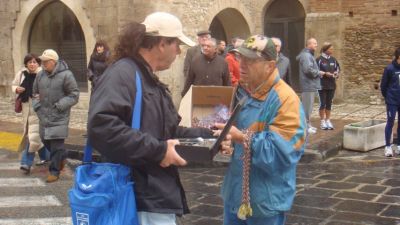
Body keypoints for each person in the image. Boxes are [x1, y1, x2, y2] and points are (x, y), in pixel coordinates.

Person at [87, 12, 230, 225]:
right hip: (137, 196)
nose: (180, 51)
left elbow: (169, 131)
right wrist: (159, 150)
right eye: (177, 45)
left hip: (153, 194)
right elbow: (101, 127)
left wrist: (211, 136)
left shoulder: (147, 78)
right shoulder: (123, 74)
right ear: (162, 44)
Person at [215, 35, 306, 224]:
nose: (242, 65)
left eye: (251, 60)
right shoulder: (245, 91)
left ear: (270, 66)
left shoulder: (286, 99)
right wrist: (228, 141)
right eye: (240, 58)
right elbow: (238, 135)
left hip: (264, 202)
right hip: (235, 196)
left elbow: (283, 154)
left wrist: (241, 137)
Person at [32, 49, 79, 183]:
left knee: (56, 145)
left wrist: (60, 105)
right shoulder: (40, 75)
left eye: (45, 62)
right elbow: (34, 92)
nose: (42, 64)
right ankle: (62, 156)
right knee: (45, 139)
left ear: (53, 62)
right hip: (44, 116)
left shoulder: (66, 75)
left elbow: (74, 95)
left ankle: (54, 171)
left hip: (59, 116)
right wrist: (37, 106)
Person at [11, 53, 49, 174]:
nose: (32, 64)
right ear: (26, 63)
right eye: (30, 62)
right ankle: (47, 157)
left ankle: (26, 163)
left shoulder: (42, 74)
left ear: (38, 63)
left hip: (38, 109)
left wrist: (41, 95)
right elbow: (14, 84)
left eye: (34, 62)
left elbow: (49, 89)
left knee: (32, 137)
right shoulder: (22, 73)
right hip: (26, 109)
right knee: (34, 136)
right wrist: (17, 89)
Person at [297, 38, 325, 134]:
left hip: (310, 85)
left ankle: (307, 125)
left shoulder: (308, 55)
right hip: (308, 85)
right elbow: (307, 70)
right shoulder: (306, 56)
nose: (317, 45)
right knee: (306, 108)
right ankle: (305, 127)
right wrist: (318, 72)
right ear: (309, 44)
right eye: (315, 43)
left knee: (308, 107)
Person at [380, 47, 400, 157]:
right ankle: (388, 146)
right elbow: (383, 86)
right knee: (390, 122)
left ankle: (399, 146)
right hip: (392, 101)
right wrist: (388, 97)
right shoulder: (389, 69)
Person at [316, 42, 340, 130]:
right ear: (325, 49)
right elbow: (315, 72)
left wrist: (336, 74)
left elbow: (338, 69)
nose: (332, 50)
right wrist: (325, 73)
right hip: (322, 85)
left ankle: (328, 120)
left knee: (329, 103)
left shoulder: (333, 59)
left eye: (332, 49)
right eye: (330, 49)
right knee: (323, 103)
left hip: (331, 85)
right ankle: (322, 121)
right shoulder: (319, 59)